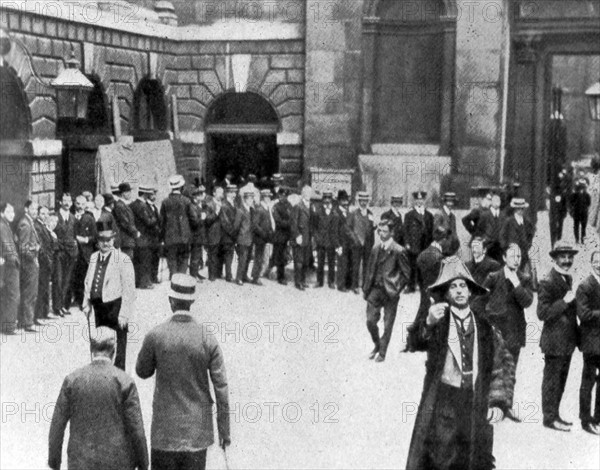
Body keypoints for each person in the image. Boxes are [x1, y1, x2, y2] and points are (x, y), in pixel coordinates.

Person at [406, 258, 515, 470]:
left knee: (472, 459)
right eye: (453, 286)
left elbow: (502, 366)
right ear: (446, 294)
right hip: (443, 403)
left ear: (471, 291)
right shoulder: (438, 322)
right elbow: (415, 342)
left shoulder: (485, 328)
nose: (458, 290)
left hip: (475, 402)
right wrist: (427, 323)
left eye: (463, 285)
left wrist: (498, 402)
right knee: (439, 459)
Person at [136, 274, 231, 470]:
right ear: (192, 302)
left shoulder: (156, 335)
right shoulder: (207, 338)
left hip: (164, 433)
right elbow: (221, 388)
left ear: (171, 301)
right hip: (197, 435)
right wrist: (224, 432)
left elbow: (142, 371)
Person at [48, 329, 148, 470]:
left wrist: (54, 462)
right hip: (117, 463)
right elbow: (137, 429)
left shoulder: (72, 380)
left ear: (91, 349)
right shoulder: (125, 382)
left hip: (80, 462)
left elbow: (57, 425)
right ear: (114, 351)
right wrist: (143, 464)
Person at [480, 243, 534, 422]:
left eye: (519, 256)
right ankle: (488, 406)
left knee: (511, 370)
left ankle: (507, 406)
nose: (516, 260)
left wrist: (516, 283)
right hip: (496, 330)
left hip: (515, 330)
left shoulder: (524, 278)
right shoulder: (493, 276)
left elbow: (527, 302)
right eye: (512, 256)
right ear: (504, 258)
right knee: (492, 367)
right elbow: (479, 299)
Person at [537, 241, 580, 432]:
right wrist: (564, 301)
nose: (567, 260)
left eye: (570, 257)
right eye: (563, 256)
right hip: (554, 342)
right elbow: (542, 313)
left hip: (567, 342)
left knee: (560, 381)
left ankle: (555, 415)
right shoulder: (547, 281)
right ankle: (549, 418)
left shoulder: (566, 279)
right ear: (554, 258)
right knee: (552, 381)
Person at [83, 219, 136, 371]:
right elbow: (88, 282)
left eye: (109, 240)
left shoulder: (123, 259)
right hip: (99, 308)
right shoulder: (93, 257)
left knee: (118, 347)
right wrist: (86, 303)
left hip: (116, 308)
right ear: (97, 241)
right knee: (100, 344)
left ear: (114, 239)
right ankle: (102, 375)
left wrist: (124, 314)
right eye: (102, 240)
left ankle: (118, 376)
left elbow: (129, 290)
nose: (106, 244)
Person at [362, 219, 410, 362]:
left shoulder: (399, 250)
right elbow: (370, 269)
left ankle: (382, 352)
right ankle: (377, 344)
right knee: (370, 321)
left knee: (388, 324)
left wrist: (396, 288)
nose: (381, 234)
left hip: (390, 292)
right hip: (375, 290)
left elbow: (406, 274)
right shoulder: (375, 249)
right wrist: (366, 288)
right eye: (380, 231)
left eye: (385, 231)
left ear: (392, 232)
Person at [405, 226, 448, 353]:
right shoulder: (439, 257)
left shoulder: (422, 254)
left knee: (422, 313)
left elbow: (417, 274)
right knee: (429, 315)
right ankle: (417, 342)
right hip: (435, 292)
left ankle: (412, 342)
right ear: (443, 240)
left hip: (425, 290)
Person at [576, 250, 600, 435]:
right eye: (596, 261)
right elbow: (583, 314)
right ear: (591, 263)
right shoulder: (585, 285)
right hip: (592, 343)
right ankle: (585, 420)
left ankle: (598, 417)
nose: (599, 264)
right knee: (588, 381)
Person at [161, 175, 197, 278]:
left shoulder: (165, 202)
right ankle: (181, 280)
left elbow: (162, 222)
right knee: (184, 259)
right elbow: (193, 219)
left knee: (172, 259)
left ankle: (173, 278)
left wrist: (162, 237)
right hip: (184, 237)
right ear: (181, 187)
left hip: (170, 238)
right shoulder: (186, 201)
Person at [16, 200, 41, 332]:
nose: (35, 212)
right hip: (29, 263)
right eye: (32, 209)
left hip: (30, 262)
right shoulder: (26, 224)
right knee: (30, 293)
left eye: (36, 210)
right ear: (26, 209)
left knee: (29, 292)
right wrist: (34, 257)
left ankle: (24, 321)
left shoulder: (29, 222)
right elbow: (23, 247)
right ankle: (28, 322)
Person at [403, 191, 434, 293]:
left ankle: (423, 286)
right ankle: (411, 286)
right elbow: (405, 230)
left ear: (424, 200)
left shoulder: (429, 215)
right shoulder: (409, 215)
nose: (419, 201)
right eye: (417, 199)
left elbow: (431, 231)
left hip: (425, 244)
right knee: (412, 266)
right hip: (414, 244)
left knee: (424, 266)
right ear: (414, 201)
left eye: (421, 199)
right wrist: (407, 243)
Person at [130, 185, 160, 288]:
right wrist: (156, 218)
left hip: (137, 237)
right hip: (145, 237)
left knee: (138, 261)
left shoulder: (133, 204)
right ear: (145, 194)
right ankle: (144, 283)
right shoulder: (142, 206)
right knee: (145, 261)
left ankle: (138, 282)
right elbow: (148, 222)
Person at [53, 193, 78, 317]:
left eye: (69, 200)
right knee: (58, 279)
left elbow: (74, 236)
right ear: (60, 202)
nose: (67, 203)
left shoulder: (73, 218)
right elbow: (52, 235)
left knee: (67, 280)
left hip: (70, 254)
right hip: (59, 253)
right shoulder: (55, 217)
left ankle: (63, 305)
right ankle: (57, 307)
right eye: (64, 200)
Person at [73, 195, 97, 309]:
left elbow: (95, 236)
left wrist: (86, 240)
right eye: (78, 204)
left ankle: (84, 301)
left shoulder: (89, 218)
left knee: (84, 277)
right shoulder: (71, 216)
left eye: (83, 204)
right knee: (74, 277)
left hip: (85, 252)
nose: (80, 206)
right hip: (73, 252)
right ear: (74, 204)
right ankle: (75, 299)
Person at [499, 198, 535, 275]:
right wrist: (507, 247)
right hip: (512, 252)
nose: (520, 211)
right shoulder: (508, 221)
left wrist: (528, 245)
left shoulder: (526, 221)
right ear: (515, 209)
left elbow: (530, 234)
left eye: (522, 209)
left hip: (523, 252)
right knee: (512, 271)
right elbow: (502, 236)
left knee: (523, 271)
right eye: (518, 209)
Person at [313, 191, 341, 289]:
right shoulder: (318, 211)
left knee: (331, 262)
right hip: (321, 241)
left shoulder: (335, 213)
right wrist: (317, 239)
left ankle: (331, 282)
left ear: (331, 200)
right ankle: (319, 281)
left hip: (331, 241)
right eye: (325, 198)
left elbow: (336, 230)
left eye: (329, 198)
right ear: (323, 200)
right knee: (319, 263)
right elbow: (314, 227)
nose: (327, 200)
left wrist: (337, 243)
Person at [349, 192, 375, 294]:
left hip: (367, 244)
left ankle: (365, 286)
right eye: (362, 201)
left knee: (366, 266)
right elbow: (348, 228)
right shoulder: (353, 213)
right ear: (359, 201)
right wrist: (355, 239)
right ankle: (354, 286)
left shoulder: (370, 214)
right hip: (356, 244)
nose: (364, 203)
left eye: (365, 201)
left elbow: (371, 229)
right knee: (355, 265)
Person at [0, 202, 20, 335]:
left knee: (8, 295)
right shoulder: (3, 226)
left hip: (7, 264)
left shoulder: (5, 225)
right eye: (9, 211)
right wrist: (15, 260)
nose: (12, 214)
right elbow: (7, 246)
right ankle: (9, 326)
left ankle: (7, 324)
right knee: (12, 295)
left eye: (13, 212)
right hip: (9, 266)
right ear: (2, 213)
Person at [34, 206, 56, 323]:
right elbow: (41, 246)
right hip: (43, 262)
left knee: (45, 287)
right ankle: (38, 315)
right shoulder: (37, 226)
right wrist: (47, 260)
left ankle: (44, 312)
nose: (45, 216)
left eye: (47, 214)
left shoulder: (44, 226)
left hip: (47, 261)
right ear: (38, 214)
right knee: (41, 288)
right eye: (42, 213)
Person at [291, 185, 313, 291]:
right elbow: (293, 223)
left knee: (305, 261)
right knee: (298, 261)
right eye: (306, 193)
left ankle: (303, 281)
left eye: (310, 193)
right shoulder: (298, 206)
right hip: (300, 237)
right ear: (303, 194)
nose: (308, 195)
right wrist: (297, 235)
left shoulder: (311, 206)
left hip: (307, 237)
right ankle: (298, 282)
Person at [251, 189, 275, 285]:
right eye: (266, 197)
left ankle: (255, 275)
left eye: (269, 197)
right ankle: (255, 277)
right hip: (260, 238)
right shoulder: (260, 209)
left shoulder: (266, 208)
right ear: (263, 197)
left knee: (260, 257)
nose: (268, 198)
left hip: (264, 237)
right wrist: (263, 233)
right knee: (258, 258)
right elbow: (255, 225)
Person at [336, 190, 358, 293]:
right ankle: (341, 285)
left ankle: (348, 284)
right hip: (341, 242)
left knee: (349, 263)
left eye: (346, 200)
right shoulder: (336, 213)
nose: (345, 203)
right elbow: (334, 231)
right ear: (339, 201)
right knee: (342, 264)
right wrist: (337, 245)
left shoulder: (349, 213)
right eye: (343, 200)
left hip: (349, 243)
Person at [113, 183, 140, 259]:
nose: (130, 194)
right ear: (123, 193)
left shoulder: (122, 205)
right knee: (126, 261)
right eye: (128, 192)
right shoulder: (120, 206)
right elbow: (125, 223)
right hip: (125, 239)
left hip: (127, 239)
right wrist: (135, 232)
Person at [272, 188, 292, 285]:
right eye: (281, 195)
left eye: (284, 196)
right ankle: (280, 277)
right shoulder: (276, 207)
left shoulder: (289, 205)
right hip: (280, 235)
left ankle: (282, 275)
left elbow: (293, 217)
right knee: (280, 257)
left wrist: (289, 223)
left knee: (285, 256)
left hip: (288, 235)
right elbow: (278, 222)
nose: (283, 197)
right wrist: (290, 223)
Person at [234, 190, 254, 285]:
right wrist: (237, 238)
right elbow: (236, 225)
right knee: (242, 259)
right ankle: (239, 278)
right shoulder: (240, 210)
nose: (251, 200)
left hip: (249, 238)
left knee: (248, 258)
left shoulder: (251, 209)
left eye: (252, 199)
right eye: (249, 199)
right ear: (245, 200)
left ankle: (244, 275)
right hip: (242, 238)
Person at [219, 185, 238, 282]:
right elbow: (225, 222)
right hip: (226, 235)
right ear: (227, 193)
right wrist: (233, 232)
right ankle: (228, 275)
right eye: (232, 192)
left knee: (229, 255)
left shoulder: (234, 203)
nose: (234, 194)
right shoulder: (224, 205)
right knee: (228, 255)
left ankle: (226, 274)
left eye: (235, 192)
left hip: (231, 234)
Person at [189, 185, 208, 281]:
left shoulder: (197, 206)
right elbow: (194, 222)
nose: (203, 196)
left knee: (198, 255)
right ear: (195, 197)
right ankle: (193, 275)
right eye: (200, 195)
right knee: (195, 256)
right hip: (195, 236)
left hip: (199, 235)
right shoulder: (192, 207)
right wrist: (202, 218)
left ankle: (196, 272)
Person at [480, 190, 504, 263]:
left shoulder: (504, 216)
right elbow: (480, 229)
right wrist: (484, 239)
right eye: (494, 200)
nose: (497, 203)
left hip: (500, 248)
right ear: (491, 202)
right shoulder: (485, 215)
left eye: (498, 200)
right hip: (488, 246)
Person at [205, 186, 223, 281]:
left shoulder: (222, 204)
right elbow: (207, 220)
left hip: (222, 233)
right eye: (219, 192)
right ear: (214, 193)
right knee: (212, 255)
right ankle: (211, 275)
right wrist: (216, 212)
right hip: (213, 233)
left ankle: (218, 273)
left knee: (219, 254)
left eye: (222, 193)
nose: (221, 195)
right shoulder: (209, 204)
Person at [548, 168, 570, 246]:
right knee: (554, 224)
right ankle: (554, 239)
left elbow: (565, 202)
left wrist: (565, 211)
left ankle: (559, 238)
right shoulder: (555, 187)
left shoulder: (564, 188)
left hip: (561, 210)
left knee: (560, 224)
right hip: (555, 210)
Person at [569, 179, 592, 245]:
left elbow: (588, 203)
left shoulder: (586, 195)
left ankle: (581, 239)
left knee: (581, 227)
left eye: (583, 187)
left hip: (581, 212)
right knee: (579, 227)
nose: (582, 189)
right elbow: (588, 204)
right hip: (579, 212)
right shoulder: (576, 195)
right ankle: (578, 239)